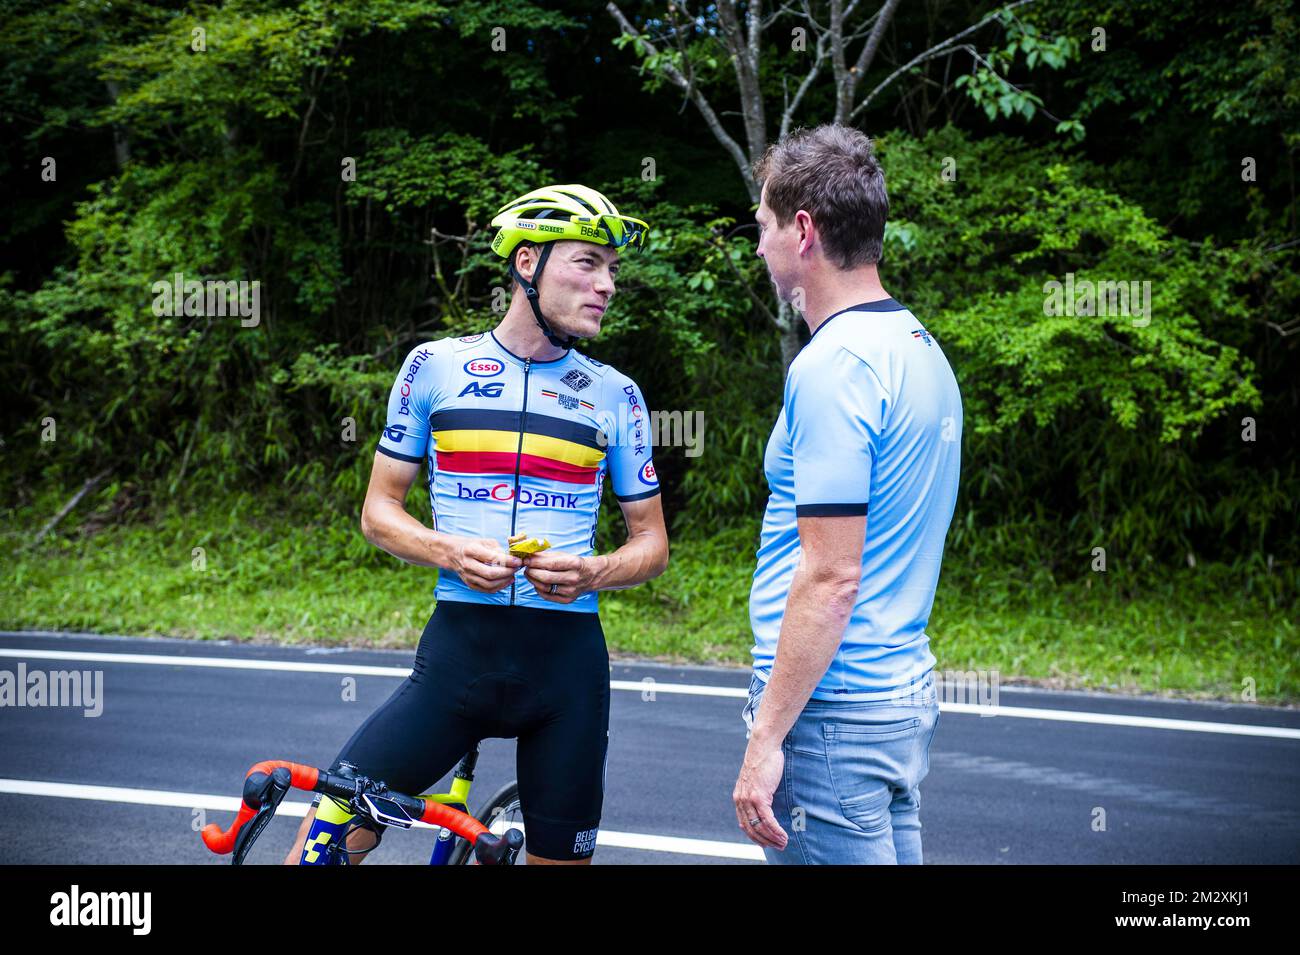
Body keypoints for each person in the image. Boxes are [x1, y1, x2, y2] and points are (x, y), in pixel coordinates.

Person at [284, 184, 669, 865]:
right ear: (527, 263)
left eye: (612, 269)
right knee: (322, 841)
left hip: (567, 674)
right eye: (587, 263)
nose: (607, 283)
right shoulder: (434, 367)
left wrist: (592, 571)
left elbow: (652, 544)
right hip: (457, 658)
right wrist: (450, 551)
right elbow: (378, 511)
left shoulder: (618, 394)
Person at [732, 125, 962, 864]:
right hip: (893, 697)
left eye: (762, 225)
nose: (757, 244)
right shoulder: (919, 349)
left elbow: (831, 577)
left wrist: (766, 737)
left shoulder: (834, 366)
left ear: (803, 231)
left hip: (831, 711)